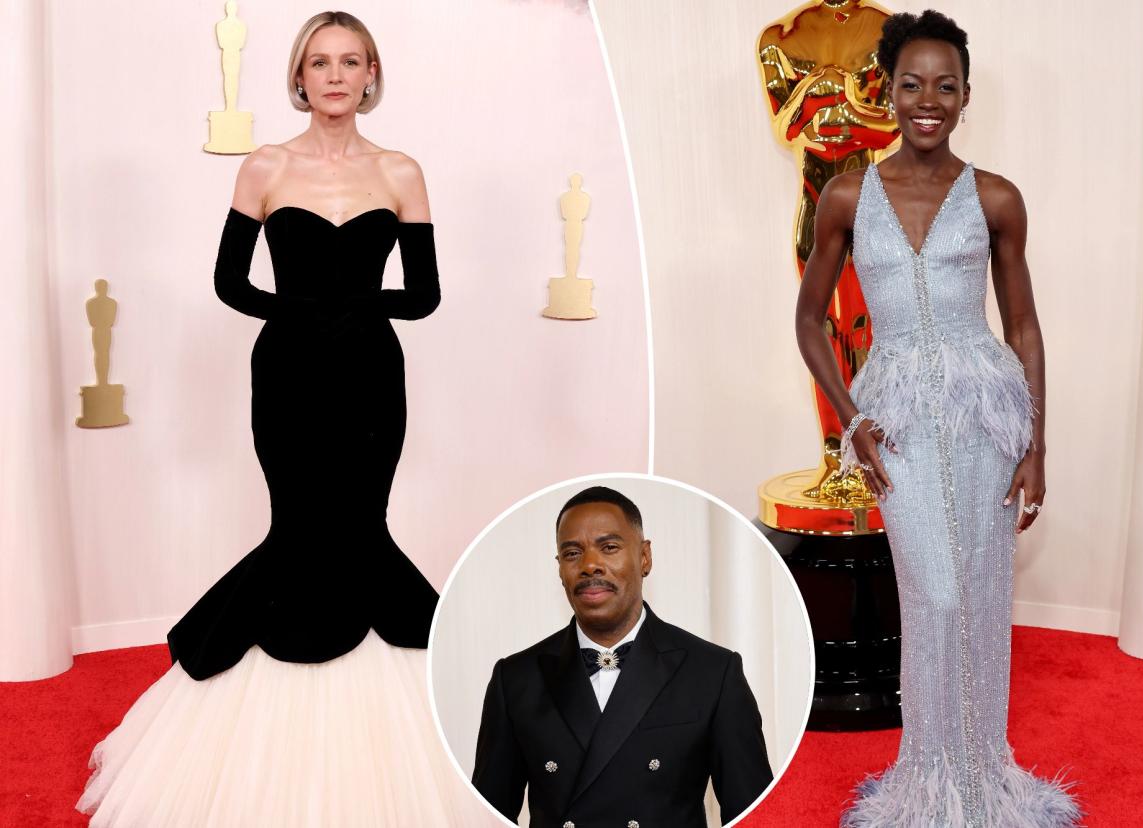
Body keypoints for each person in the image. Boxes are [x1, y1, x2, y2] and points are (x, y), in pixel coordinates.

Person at [76, 12, 487, 826]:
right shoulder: (265, 166)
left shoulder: (402, 170)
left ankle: (388, 743)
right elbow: (231, 281)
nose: (335, 76)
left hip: (372, 375)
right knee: (298, 525)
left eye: (351, 62)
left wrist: (360, 308)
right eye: (319, 62)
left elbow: (426, 294)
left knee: (360, 524)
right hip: (289, 374)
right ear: (298, 78)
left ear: (372, 75)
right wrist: (300, 313)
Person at [794, 10, 1081, 828]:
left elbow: (1023, 327)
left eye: (945, 86)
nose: (928, 100)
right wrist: (853, 422)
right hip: (899, 422)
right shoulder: (846, 194)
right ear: (886, 91)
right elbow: (809, 321)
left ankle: (981, 779)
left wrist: (1036, 447)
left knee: (983, 593)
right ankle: (927, 782)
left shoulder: (996, 197)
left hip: (987, 416)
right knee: (935, 592)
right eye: (912, 84)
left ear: (965, 95)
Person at [471, 486, 774, 827]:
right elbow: (487, 818)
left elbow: (755, 817)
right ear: (559, 569)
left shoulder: (713, 672)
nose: (590, 565)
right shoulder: (515, 679)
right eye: (572, 554)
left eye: (609, 547)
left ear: (644, 557)